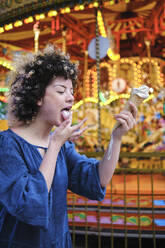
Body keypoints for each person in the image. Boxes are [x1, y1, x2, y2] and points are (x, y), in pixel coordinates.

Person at [0, 44, 137, 248]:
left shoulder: (63, 146)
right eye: (61, 90)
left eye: (71, 91)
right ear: (37, 96)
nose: (71, 97)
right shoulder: (8, 145)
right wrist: (55, 144)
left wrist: (116, 138)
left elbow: (96, 178)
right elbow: (28, 202)